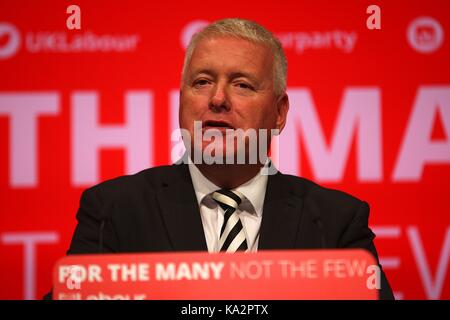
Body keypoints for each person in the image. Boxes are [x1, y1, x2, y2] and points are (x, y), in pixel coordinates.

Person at [48, 18, 394, 299]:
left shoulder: (334, 222)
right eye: (201, 82)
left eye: (242, 85)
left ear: (279, 112)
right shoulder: (116, 211)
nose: (217, 99)